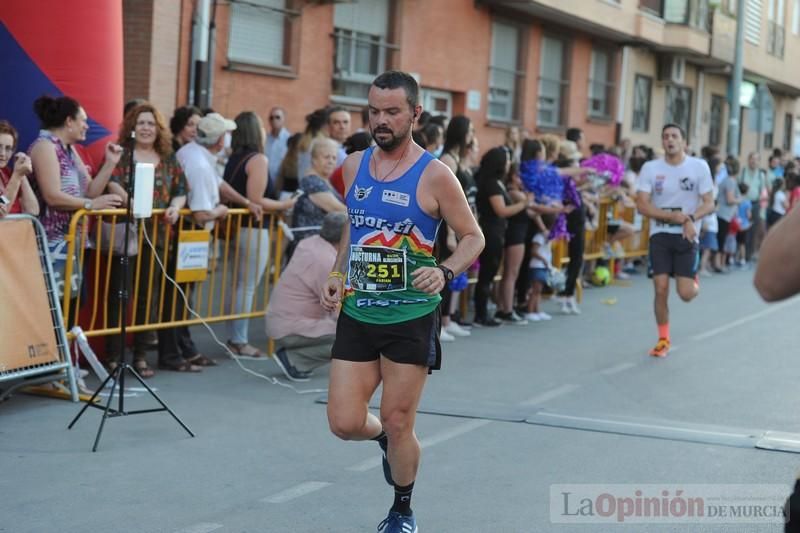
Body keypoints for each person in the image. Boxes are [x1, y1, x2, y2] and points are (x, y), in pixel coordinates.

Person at [320, 71, 484, 533]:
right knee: (345, 422)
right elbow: (354, 224)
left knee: (397, 419)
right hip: (359, 310)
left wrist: (447, 270)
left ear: (414, 113)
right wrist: (337, 272)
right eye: (374, 111)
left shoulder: (436, 175)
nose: (381, 121)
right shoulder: (353, 165)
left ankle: (401, 509)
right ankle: (385, 441)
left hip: (410, 315)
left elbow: (474, 237)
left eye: (392, 112)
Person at [105, 103, 188, 376]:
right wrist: (133, 203)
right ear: (132, 126)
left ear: (159, 128)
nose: (145, 128)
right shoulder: (124, 155)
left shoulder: (168, 157)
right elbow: (111, 181)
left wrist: (176, 206)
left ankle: (140, 355)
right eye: (141, 123)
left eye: (151, 123)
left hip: (158, 235)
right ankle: (114, 355)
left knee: (147, 297)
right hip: (128, 233)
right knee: (120, 295)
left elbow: (180, 188)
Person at [28, 95, 123, 312]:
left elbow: (90, 191)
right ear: (69, 121)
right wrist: (91, 206)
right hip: (52, 245)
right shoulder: (45, 146)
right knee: (55, 310)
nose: (87, 126)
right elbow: (52, 196)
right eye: (83, 120)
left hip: (74, 243)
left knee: (73, 306)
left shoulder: (69, 149)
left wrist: (110, 164)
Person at [177, 112, 256, 365]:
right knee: (182, 296)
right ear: (219, 140)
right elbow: (201, 214)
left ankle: (181, 347)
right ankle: (182, 348)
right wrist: (222, 211)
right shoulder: (199, 164)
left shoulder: (194, 153)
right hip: (191, 235)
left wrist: (244, 201)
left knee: (181, 296)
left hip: (190, 235)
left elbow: (219, 183)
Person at [635, 123, 715, 358]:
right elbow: (642, 205)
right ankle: (663, 339)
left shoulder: (698, 167)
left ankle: (693, 280)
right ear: (662, 142)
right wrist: (671, 216)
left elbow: (709, 202)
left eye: (674, 136)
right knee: (660, 289)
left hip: (686, 236)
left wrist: (690, 218)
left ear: (684, 142)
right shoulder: (651, 168)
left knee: (686, 294)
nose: (669, 140)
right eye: (666, 136)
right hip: (659, 235)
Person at [222, 111, 295, 357]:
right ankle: (239, 340)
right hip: (252, 228)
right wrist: (285, 205)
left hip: (235, 227)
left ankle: (234, 336)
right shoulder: (258, 159)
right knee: (247, 285)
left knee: (237, 283)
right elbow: (256, 199)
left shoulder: (234, 158)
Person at [265, 212, 346, 381]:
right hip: (292, 327)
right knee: (355, 339)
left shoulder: (310, 243)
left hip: (281, 321)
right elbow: (338, 309)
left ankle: (294, 357)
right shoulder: (325, 261)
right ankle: (296, 359)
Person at [473, 147, 528, 326]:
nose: (509, 164)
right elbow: (501, 210)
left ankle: (484, 311)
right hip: (491, 231)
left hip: (496, 231)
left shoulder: (497, 182)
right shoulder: (491, 184)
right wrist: (523, 204)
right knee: (487, 274)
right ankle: (481, 314)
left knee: (490, 273)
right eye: (507, 160)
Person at [291, 137, 346, 242]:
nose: (331, 161)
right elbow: (337, 209)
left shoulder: (322, 180)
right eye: (326, 157)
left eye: (334, 158)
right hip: (310, 246)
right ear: (314, 159)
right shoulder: (312, 182)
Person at [0, 121, 37, 217]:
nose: (3, 153)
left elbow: (33, 210)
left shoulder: (7, 173)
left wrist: (22, 175)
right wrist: (17, 176)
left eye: (8, 148)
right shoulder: (14, 177)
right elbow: (1, 210)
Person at [738, 152, 769, 261]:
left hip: (755, 204)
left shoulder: (761, 175)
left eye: (756, 159)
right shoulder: (743, 171)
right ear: (748, 160)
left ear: (759, 162)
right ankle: (739, 255)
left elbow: (763, 191)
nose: (754, 161)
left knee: (753, 230)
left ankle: (749, 255)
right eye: (752, 159)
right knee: (740, 229)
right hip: (742, 203)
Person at [526, 214, 555, 321]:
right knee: (535, 290)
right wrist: (543, 260)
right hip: (537, 265)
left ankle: (537, 310)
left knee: (539, 290)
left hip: (543, 266)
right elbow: (533, 251)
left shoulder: (547, 236)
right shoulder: (539, 237)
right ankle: (530, 311)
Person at [715, 158, 741, 269]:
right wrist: (740, 199)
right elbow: (730, 200)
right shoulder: (730, 181)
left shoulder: (726, 180)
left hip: (723, 214)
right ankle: (718, 264)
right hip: (723, 214)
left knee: (721, 239)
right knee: (721, 240)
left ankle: (718, 263)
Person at [265, 106, 290, 184]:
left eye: (277, 117)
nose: (274, 120)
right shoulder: (265, 139)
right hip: (265, 182)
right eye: (271, 118)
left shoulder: (289, 140)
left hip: (281, 184)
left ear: (284, 119)